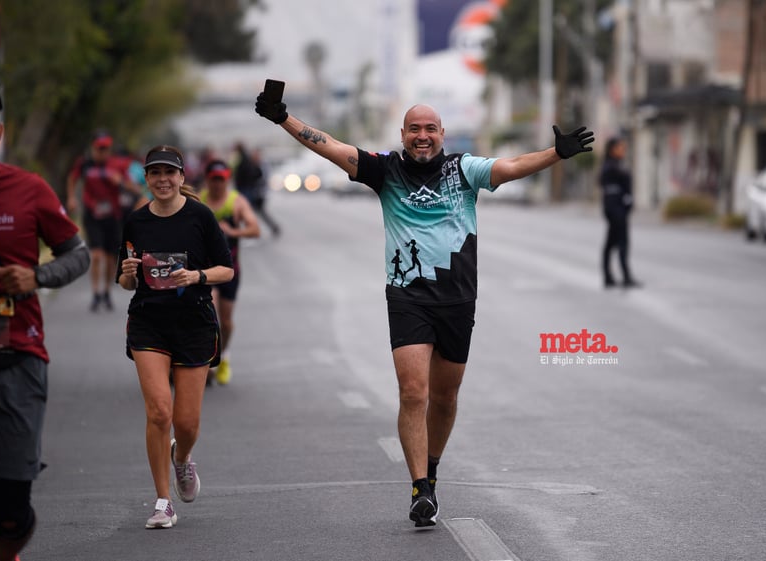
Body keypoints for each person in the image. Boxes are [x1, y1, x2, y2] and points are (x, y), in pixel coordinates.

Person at [255, 85, 594, 527]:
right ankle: (420, 490)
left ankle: (431, 470)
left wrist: (556, 153)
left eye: (430, 129)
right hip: (407, 295)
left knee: (446, 396)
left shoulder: (464, 169)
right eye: (414, 128)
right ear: (402, 134)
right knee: (414, 391)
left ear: (442, 134)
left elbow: (510, 167)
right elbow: (331, 147)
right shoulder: (384, 171)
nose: (422, 135)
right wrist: (285, 118)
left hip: (457, 298)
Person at [0, 79, 90, 561]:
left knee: (10, 513)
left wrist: (35, 277)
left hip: (17, 360)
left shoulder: (27, 189)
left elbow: (78, 256)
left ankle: (4, 548)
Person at [116, 145, 234, 529]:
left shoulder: (200, 216)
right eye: (155, 173)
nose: (163, 180)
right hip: (149, 322)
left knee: (186, 423)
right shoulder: (135, 222)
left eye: (170, 173)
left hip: (194, 324)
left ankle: (181, 457)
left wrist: (197, 276)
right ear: (146, 179)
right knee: (159, 412)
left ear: (183, 178)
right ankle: (163, 500)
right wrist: (129, 274)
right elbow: (124, 280)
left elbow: (226, 271)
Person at [199, 159, 260, 385]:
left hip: (230, 269)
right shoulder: (199, 201)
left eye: (221, 180)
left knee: (226, 322)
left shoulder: (236, 202)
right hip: (205, 270)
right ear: (207, 180)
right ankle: (206, 361)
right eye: (214, 180)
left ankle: (223, 355)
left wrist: (232, 231)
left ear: (227, 179)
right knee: (210, 313)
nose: (217, 185)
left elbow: (255, 229)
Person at [66, 131, 139, 312]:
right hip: (92, 214)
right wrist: (71, 198)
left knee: (109, 258)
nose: (103, 152)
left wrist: (120, 181)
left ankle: (106, 291)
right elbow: (72, 178)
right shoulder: (84, 164)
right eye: (100, 148)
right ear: (93, 148)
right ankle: (96, 292)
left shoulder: (116, 164)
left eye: (106, 148)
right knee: (96, 255)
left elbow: (134, 187)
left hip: (113, 216)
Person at [599, 136, 641, 288]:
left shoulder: (616, 165)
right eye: (620, 147)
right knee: (621, 242)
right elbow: (609, 188)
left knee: (613, 243)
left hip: (618, 209)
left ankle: (610, 276)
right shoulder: (610, 167)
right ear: (612, 149)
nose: (623, 150)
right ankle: (624, 276)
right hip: (615, 210)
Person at [234, 142, 281, 237]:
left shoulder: (262, 165)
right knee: (257, 212)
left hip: (259, 193)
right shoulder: (254, 164)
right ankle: (271, 227)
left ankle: (260, 229)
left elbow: (262, 179)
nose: (254, 157)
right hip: (255, 192)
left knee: (256, 212)